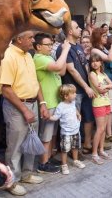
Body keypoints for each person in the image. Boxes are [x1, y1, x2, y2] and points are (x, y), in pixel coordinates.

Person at [0, 31, 48, 196]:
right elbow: (6, 89)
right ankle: (11, 182)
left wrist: (42, 103)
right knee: (15, 146)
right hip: (17, 107)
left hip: (32, 103)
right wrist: (25, 109)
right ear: (19, 39)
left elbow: (36, 82)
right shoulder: (8, 56)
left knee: (30, 141)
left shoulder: (28, 55)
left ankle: (26, 174)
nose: (33, 40)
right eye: (30, 38)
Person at [57, 21, 96, 155]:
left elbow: (85, 66)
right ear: (70, 32)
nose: (80, 29)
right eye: (77, 27)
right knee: (74, 122)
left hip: (86, 89)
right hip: (74, 91)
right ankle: (75, 151)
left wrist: (91, 85)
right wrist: (86, 87)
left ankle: (87, 144)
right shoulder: (64, 48)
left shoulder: (78, 46)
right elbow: (72, 70)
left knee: (89, 118)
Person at [33, 32, 70, 174]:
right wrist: (66, 50)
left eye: (51, 44)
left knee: (51, 134)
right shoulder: (39, 58)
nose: (50, 47)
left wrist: (63, 55)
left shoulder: (48, 57)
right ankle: (42, 164)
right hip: (48, 102)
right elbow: (57, 68)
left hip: (55, 101)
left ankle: (47, 158)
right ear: (38, 46)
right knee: (46, 136)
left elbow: (61, 71)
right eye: (48, 45)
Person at [90, 28, 112, 144]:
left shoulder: (102, 48)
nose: (106, 38)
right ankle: (105, 136)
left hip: (107, 79)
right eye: (103, 36)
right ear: (98, 37)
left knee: (109, 109)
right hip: (101, 81)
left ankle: (108, 134)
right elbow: (110, 58)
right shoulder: (94, 50)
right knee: (104, 111)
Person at [50, 84, 86, 174]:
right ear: (66, 96)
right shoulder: (60, 106)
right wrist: (49, 117)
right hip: (66, 132)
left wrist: (78, 114)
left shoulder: (72, 103)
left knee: (75, 147)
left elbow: (74, 109)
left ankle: (75, 160)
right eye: (73, 93)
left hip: (75, 130)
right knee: (64, 149)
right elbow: (56, 117)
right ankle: (64, 165)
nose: (75, 94)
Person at [88, 54, 112, 164]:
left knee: (103, 128)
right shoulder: (92, 74)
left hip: (106, 102)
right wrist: (106, 87)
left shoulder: (103, 74)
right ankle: (94, 154)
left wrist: (106, 87)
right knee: (100, 129)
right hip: (98, 103)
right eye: (92, 61)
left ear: (101, 63)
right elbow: (100, 90)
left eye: (97, 61)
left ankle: (101, 150)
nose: (94, 63)